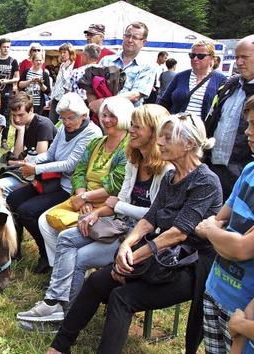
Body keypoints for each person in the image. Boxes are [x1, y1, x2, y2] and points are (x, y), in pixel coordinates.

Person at [46, 113, 222, 354]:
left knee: (122, 298)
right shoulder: (171, 176)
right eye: (161, 137)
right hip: (163, 255)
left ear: (189, 144)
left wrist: (130, 259)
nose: (159, 143)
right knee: (96, 281)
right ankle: (58, 347)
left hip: (190, 266)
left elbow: (179, 233)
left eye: (167, 138)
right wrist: (127, 245)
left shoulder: (206, 182)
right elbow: (151, 219)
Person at [17, 104, 171, 323]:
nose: (132, 130)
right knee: (66, 236)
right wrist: (95, 214)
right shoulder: (134, 160)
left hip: (141, 237)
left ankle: (67, 316)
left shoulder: (165, 170)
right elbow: (85, 176)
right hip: (117, 222)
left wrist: (112, 206)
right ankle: (54, 302)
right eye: (132, 124)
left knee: (79, 257)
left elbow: (151, 217)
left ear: (154, 132)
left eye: (138, 126)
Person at [5, 92, 101, 272]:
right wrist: (30, 162)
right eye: (63, 119)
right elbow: (50, 155)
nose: (66, 123)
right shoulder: (64, 128)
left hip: (70, 187)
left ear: (84, 115)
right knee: (12, 200)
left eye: (70, 118)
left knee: (27, 211)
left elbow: (71, 164)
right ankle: (14, 248)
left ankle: (45, 256)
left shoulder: (92, 133)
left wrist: (36, 169)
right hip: (54, 181)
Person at [38, 96, 133, 268]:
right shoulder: (97, 143)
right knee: (44, 222)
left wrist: (85, 197)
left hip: (108, 206)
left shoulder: (129, 149)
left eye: (112, 116)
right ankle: (59, 267)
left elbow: (115, 186)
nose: (106, 120)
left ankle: (70, 269)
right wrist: (81, 196)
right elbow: (78, 172)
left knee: (67, 233)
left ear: (124, 117)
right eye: (104, 115)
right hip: (83, 198)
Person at [196, 96, 254, 353]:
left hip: (244, 307)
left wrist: (212, 232)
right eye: (248, 123)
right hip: (216, 288)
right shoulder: (250, 169)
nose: (247, 131)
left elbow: (241, 249)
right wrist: (221, 235)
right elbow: (220, 217)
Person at [204, 34, 254, 203]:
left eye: (245, 57)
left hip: (243, 171)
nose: (239, 62)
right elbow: (212, 118)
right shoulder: (230, 84)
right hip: (214, 167)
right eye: (237, 57)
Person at [89, 22, 156, 112]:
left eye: (135, 37)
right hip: (101, 117)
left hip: (128, 120)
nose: (130, 40)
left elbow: (135, 95)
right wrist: (94, 106)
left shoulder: (147, 67)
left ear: (143, 42)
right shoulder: (106, 61)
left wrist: (104, 103)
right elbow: (90, 86)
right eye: (128, 36)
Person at [157, 40, 226, 121]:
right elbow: (163, 103)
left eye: (200, 56)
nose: (195, 59)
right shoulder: (180, 76)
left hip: (201, 131)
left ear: (212, 58)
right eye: (192, 55)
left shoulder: (221, 80)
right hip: (176, 129)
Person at [48, 43, 76, 124]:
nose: (62, 55)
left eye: (64, 52)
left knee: (62, 123)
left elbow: (68, 82)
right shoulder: (62, 65)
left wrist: (64, 69)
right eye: (61, 53)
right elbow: (57, 83)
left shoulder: (73, 66)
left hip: (65, 100)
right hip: (56, 98)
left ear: (70, 53)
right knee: (52, 122)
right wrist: (52, 98)